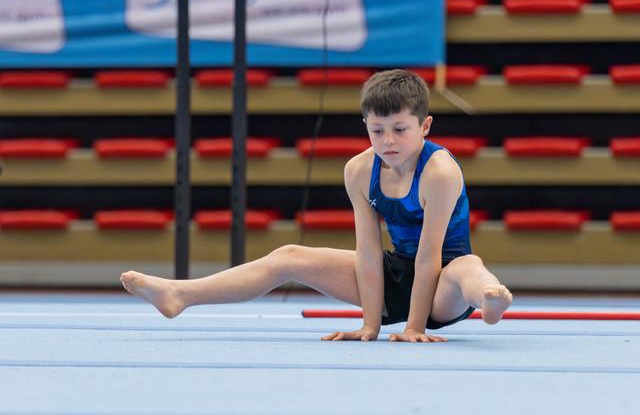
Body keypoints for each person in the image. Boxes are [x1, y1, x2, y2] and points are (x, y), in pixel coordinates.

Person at [120, 69, 512, 343]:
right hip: (395, 275)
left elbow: (429, 258)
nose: (388, 141)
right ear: (366, 126)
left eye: (400, 129)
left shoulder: (439, 172)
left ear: (425, 127)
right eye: (377, 130)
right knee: (288, 255)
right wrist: (370, 327)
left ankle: (489, 300)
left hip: (445, 286)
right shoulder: (359, 170)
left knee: (467, 267)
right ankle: (180, 295)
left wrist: (413, 327)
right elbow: (369, 253)